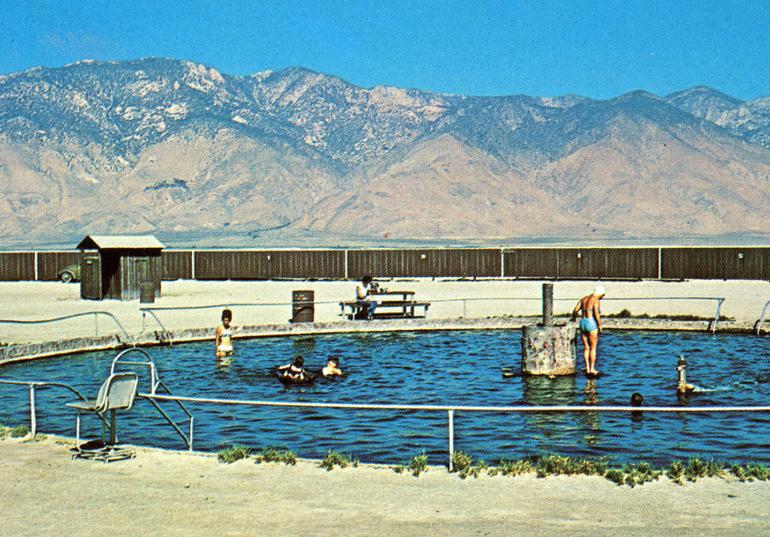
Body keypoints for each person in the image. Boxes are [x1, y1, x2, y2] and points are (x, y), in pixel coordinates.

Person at [572, 286, 605, 376]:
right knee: (593, 348)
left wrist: (574, 318)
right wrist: (600, 325)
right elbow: (596, 314)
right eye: (602, 296)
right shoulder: (595, 300)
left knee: (586, 348)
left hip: (582, 322)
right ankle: (592, 368)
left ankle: (587, 367)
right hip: (591, 322)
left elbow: (575, 310)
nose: (602, 297)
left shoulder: (583, 299)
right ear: (600, 294)